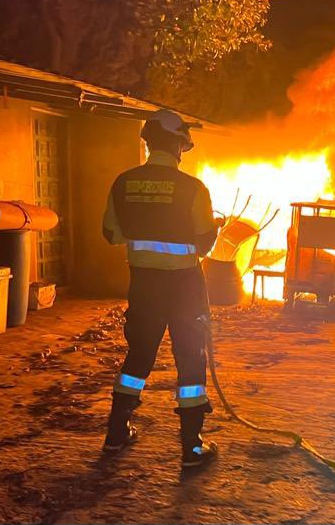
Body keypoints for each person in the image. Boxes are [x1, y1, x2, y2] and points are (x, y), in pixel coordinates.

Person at [101, 110, 220, 467]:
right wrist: (214, 228)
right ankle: (191, 448)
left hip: (144, 286)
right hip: (184, 288)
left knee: (138, 357)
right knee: (190, 359)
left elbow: (110, 234)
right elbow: (203, 243)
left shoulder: (123, 183)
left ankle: (116, 433)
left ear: (149, 141)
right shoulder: (193, 188)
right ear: (177, 145)